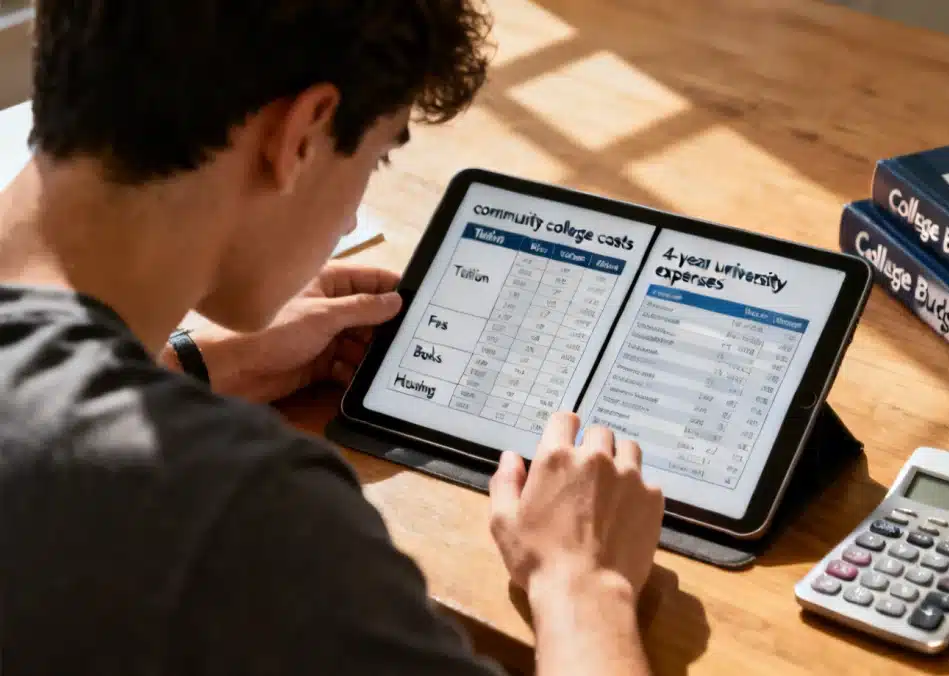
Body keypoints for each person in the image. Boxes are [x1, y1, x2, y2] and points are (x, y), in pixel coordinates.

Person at [0, 1, 665, 675]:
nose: (350, 211)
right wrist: (582, 585)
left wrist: (191, 367)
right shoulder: (243, 515)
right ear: (304, 134)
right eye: (375, 160)